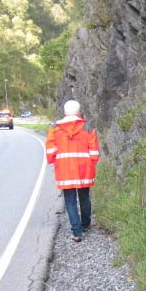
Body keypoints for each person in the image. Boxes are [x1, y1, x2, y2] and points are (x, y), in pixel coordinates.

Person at [45, 100, 100, 242]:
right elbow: (94, 152)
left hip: (65, 171)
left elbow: (51, 151)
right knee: (84, 197)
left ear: (64, 112)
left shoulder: (55, 128)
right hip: (84, 169)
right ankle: (86, 224)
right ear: (79, 111)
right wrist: (91, 162)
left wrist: (54, 161)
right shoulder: (87, 127)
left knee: (70, 201)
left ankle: (77, 232)